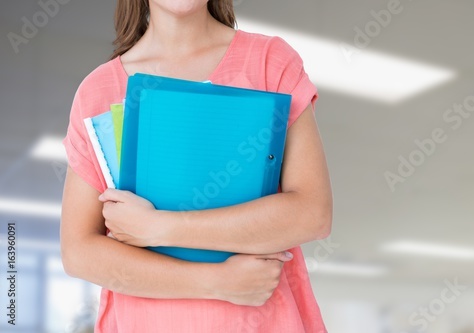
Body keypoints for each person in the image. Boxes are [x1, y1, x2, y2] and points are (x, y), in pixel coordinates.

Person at [59, 0, 332, 331]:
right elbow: (79, 251)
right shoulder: (97, 91)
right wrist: (215, 281)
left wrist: (159, 227)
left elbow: (312, 215)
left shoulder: (268, 62)